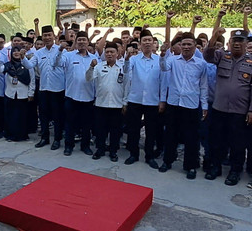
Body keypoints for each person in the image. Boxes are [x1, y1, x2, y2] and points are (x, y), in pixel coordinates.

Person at [203, 28, 252, 186]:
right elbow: (208, 54)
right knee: (217, 141)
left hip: (240, 111)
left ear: (246, 44)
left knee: (238, 144)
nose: (237, 44)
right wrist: (215, 35)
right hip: (219, 108)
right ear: (229, 43)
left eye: (241, 41)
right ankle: (215, 167)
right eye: (234, 41)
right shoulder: (222, 56)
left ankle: (235, 171)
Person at [159, 29, 209, 179]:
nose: (186, 47)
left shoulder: (201, 64)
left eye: (189, 44)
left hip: (191, 105)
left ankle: (191, 166)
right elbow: (163, 67)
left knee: (191, 137)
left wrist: (205, 105)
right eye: (183, 44)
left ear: (194, 46)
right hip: (173, 103)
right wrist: (162, 55)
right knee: (170, 134)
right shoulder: (173, 60)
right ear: (180, 46)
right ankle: (167, 161)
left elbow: (204, 86)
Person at [123, 30, 161, 168]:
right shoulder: (133, 59)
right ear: (140, 44)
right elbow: (126, 72)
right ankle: (133, 154)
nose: (147, 43)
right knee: (133, 129)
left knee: (151, 130)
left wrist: (162, 100)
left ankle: (149, 156)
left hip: (152, 100)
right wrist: (126, 59)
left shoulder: (159, 60)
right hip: (135, 99)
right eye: (144, 40)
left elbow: (163, 81)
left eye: (149, 40)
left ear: (153, 43)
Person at [56, 32, 96, 156]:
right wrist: (60, 49)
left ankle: (85, 146)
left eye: (84, 40)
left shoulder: (94, 58)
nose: (82, 42)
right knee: (70, 123)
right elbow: (57, 63)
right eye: (79, 40)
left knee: (86, 124)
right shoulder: (68, 56)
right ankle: (69, 145)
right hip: (72, 96)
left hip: (88, 97)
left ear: (88, 42)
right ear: (76, 42)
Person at [87, 42, 125, 161]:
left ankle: (113, 151)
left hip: (117, 104)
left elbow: (127, 86)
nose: (109, 54)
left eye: (112, 52)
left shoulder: (123, 68)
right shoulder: (98, 66)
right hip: (101, 104)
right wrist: (91, 67)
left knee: (115, 130)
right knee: (100, 129)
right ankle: (100, 149)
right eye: (107, 52)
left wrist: (125, 103)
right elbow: (88, 78)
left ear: (117, 54)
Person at [30, 23, 65, 149]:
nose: (47, 38)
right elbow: (29, 65)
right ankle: (44, 138)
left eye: (49, 35)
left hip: (58, 89)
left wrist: (60, 50)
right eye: (44, 35)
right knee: (43, 115)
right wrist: (22, 57)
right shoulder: (39, 53)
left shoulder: (62, 50)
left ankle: (57, 139)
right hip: (44, 88)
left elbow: (60, 64)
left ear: (54, 36)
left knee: (57, 115)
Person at [0, 46, 34, 141]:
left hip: (23, 94)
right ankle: (10, 135)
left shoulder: (27, 64)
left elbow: (32, 80)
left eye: (18, 51)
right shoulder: (8, 65)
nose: (16, 53)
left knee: (22, 116)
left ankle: (22, 135)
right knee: (10, 116)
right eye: (14, 51)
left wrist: (31, 93)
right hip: (10, 94)